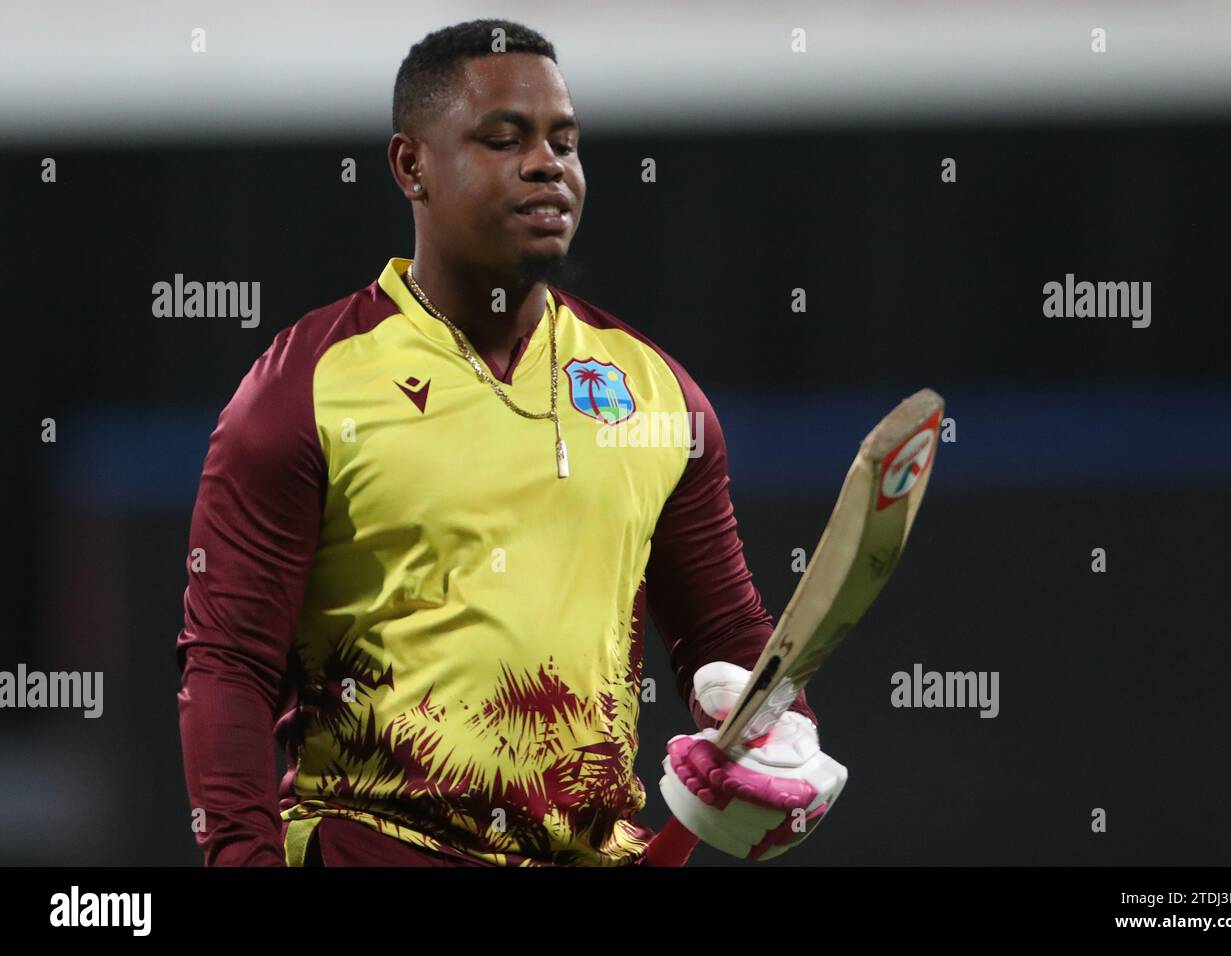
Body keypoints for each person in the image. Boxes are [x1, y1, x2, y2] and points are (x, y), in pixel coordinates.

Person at [176, 18, 843, 867]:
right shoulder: (303, 388)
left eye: (565, 142)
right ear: (410, 166)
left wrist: (787, 738)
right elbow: (226, 665)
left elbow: (725, 634)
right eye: (504, 138)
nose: (546, 164)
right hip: (375, 846)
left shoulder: (660, 395)